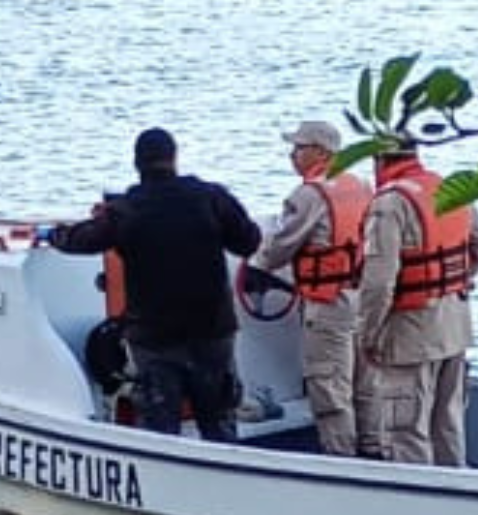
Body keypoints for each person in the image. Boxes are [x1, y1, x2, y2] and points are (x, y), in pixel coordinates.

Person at [42, 127, 261, 441]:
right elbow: (249, 241)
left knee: (160, 433)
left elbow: (83, 240)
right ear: (174, 158)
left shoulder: (126, 210)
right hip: (212, 330)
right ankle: (229, 482)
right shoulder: (211, 197)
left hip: (156, 339)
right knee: (220, 425)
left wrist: (54, 235)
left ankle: (164, 484)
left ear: (137, 164)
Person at [357, 142, 478, 466]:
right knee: (448, 422)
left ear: (379, 161)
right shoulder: (447, 188)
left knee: (405, 429)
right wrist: (459, 279)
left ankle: (418, 503)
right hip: (455, 326)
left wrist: (368, 334)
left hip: (409, 334)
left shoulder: (390, 203)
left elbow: (379, 282)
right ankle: (459, 492)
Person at [245, 119, 374, 456]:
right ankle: (375, 451)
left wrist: (256, 267)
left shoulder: (309, 195)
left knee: (329, 386)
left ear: (320, 151)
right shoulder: (360, 186)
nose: (292, 154)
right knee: (366, 384)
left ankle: (341, 461)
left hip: (328, 303)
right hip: (363, 296)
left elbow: (279, 247)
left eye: (298, 147)